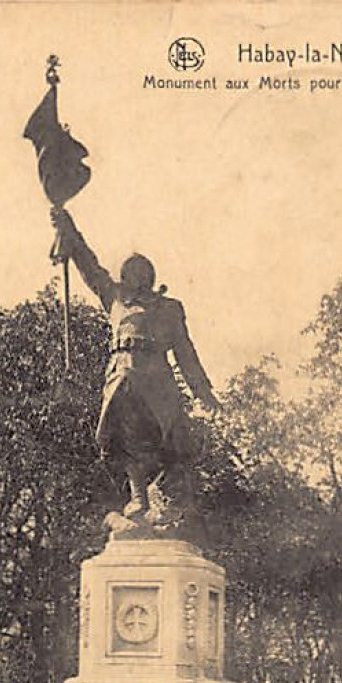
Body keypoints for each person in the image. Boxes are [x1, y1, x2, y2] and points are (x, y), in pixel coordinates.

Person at [50, 207, 220, 521]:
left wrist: (203, 391)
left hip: (157, 378)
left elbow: (185, 351)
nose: (137, 275)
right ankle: (139, 497)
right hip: (122, 374)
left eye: (143, 270)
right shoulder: (114, 298)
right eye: (132, 269)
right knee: (125, 435)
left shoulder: (169, 308)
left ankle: (169, 501)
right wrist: (68, 228)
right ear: (125, 275)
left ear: (151, 276)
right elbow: (88, 264)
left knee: (172, 437)